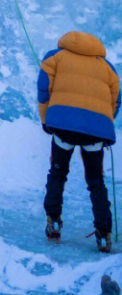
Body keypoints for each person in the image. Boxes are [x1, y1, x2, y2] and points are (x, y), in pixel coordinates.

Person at [39, 30, 119, 253]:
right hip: (95, 133)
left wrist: (46, 120)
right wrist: (102, 124)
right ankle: (104, 234)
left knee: (57, 174)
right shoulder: (108, 68)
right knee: (96, 182)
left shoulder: (54, 57)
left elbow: (44, 89)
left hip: (63, 127)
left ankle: (53, 222)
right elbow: (115, 100)